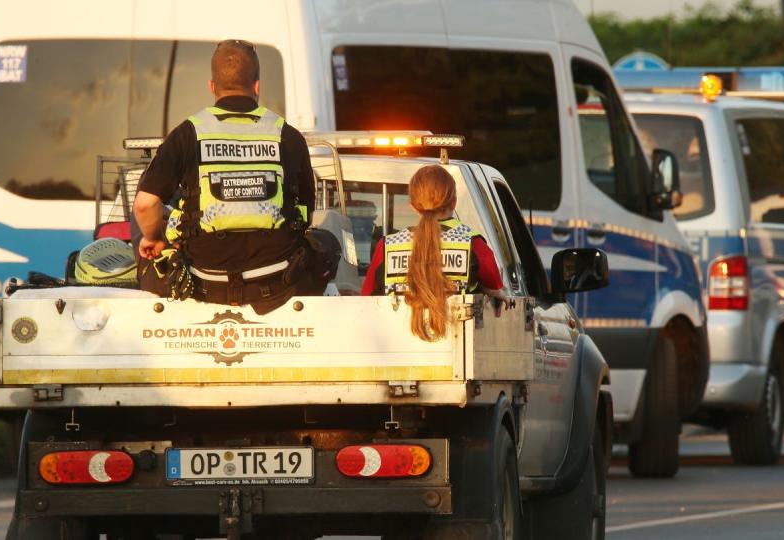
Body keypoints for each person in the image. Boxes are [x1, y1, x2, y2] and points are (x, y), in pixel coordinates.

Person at [133, 39, 323, 312]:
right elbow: (305, 212)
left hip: (204, 283)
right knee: (327, 244)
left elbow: (145, 204)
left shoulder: (188, 133)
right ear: (256, 85)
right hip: (277, 283)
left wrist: (153, 238)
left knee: (148, 252)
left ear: (212, 86)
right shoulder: (288, 136)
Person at [360, 165, 505, 341]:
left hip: (395, 346)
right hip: (458, 343)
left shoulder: (387, 245)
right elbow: (496, 287)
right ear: (453, 202)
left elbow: (366, 298)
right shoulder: (473, 243)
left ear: (413, 206)